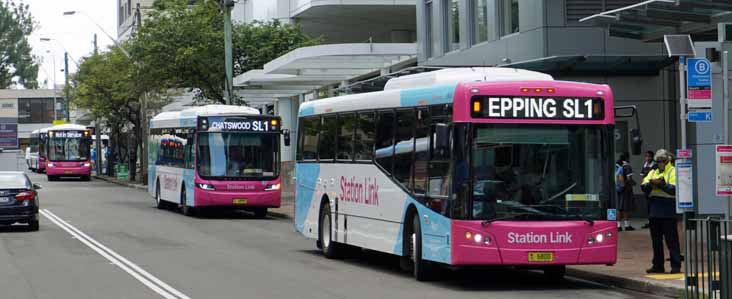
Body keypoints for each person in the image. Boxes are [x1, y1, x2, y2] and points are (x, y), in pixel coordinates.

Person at [641, 149, 681, 274]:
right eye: (658, 161)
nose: (660, 163)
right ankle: (658, 265)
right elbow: (643, 186)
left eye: (662, 161)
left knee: (671, 240)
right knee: (656, 241)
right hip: (654, 210)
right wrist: (652, 185)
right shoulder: (653, 171)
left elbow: (674, 190)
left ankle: (675, 266)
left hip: (668, 210)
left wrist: (661, 184)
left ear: (667, 160)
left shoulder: (673, 171)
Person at [616, 152, 636, 231]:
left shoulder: (618, 166)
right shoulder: (627, 166)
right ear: (627, 158)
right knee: (626, 207)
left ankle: (619, 226)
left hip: (619, 188)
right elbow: (629, 179)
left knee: (620, 208)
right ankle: (627, 225)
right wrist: (634, 183)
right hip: (626, 189)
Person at [640, 151, 655, 229]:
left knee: (653, 205)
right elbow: (642, 177)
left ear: (652, 157)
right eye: (646, 156)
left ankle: (653, 221)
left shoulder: (654, 165)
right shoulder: (644, 165)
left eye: (649, 156)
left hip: (653, 188)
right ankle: (650, 221)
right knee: (648, 205)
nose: (648, 158)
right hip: (646, 188)